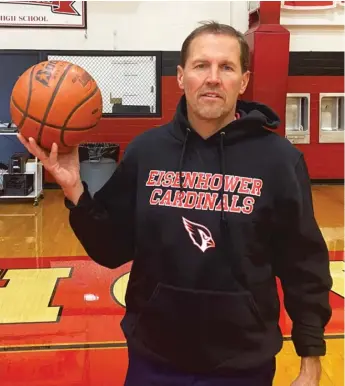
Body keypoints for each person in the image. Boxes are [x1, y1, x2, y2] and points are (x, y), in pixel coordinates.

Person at [18, 21, 332, 386]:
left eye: (226, 67)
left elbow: (303, 265)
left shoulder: (279, 160)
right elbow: (110, 249)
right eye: (201, 65)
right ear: (181, 76)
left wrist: (310, 359)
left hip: (243, 363)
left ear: (243, 81)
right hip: (154, 358)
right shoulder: (146, 152)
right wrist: (74, 190)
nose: (213, 77)